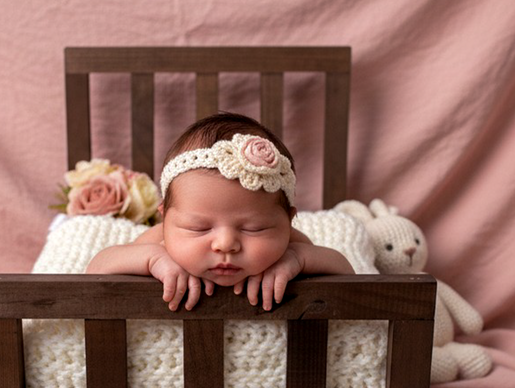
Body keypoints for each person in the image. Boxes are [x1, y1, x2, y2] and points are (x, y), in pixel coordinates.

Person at [86, 112, 354, 311]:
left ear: (288, 221)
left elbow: (349, 277)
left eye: (254, 228)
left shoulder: (291, 248)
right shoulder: (160, 243)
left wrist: (299, 258)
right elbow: (94, 271)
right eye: (198, 228)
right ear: (164, 218)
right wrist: (153, 260)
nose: (226, 244)